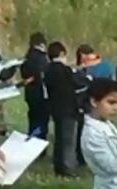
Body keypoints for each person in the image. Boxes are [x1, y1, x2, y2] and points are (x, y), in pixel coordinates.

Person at [44, 41, 86, 178]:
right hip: (68, 108)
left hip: (55, 108)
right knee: (68, 140)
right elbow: (76, 83)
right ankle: (68, 167)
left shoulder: (48, 69)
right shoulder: (65, 70)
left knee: (59, 138)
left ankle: (59, 166)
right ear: (62, 54)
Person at [20, 32, 51, 140]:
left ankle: (32, 139)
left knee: (33, 120)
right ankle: (39, 144)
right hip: (42, 94)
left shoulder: (27, 58)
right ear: (42, 44)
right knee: (42, 122)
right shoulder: (42, 58)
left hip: (30, 94)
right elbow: (44, 74)